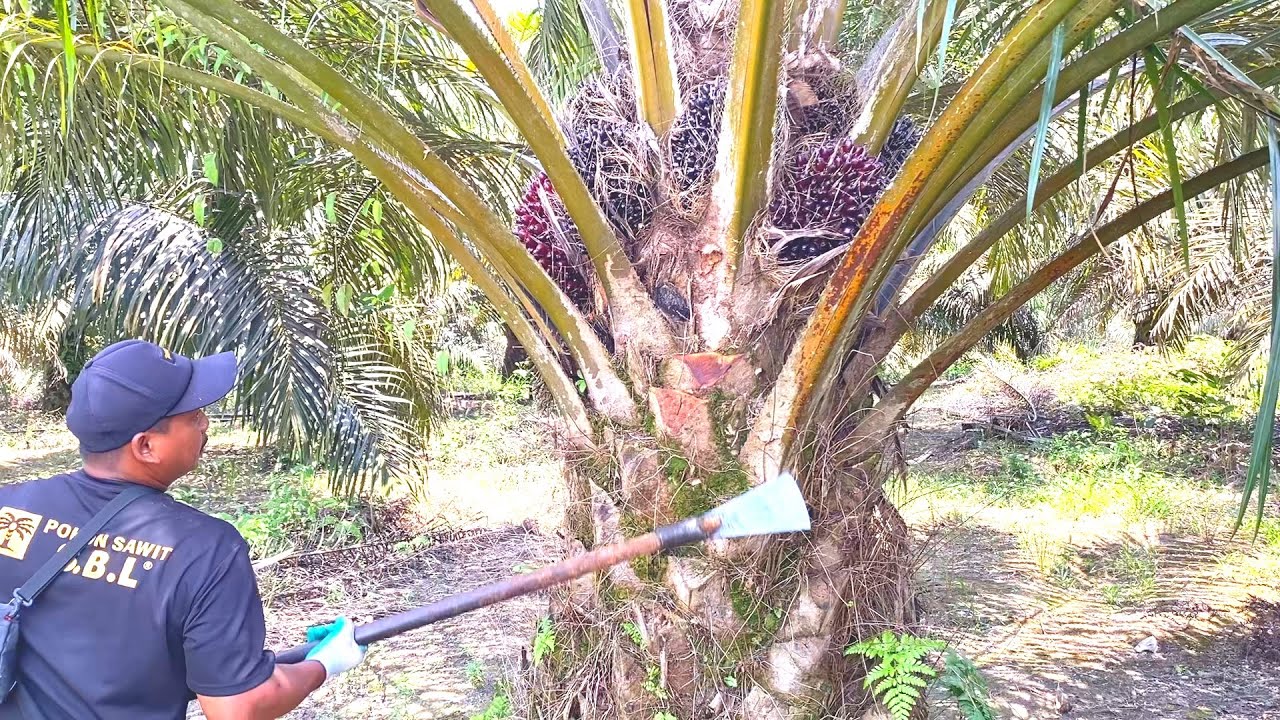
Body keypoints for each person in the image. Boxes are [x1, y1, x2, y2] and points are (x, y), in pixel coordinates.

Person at [0, 339, 367, 719]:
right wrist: (323, 665)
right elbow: (238, 708)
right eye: (192, 417)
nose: (205, 422)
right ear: (145, 447)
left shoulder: (9, 508)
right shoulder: (205, 551)